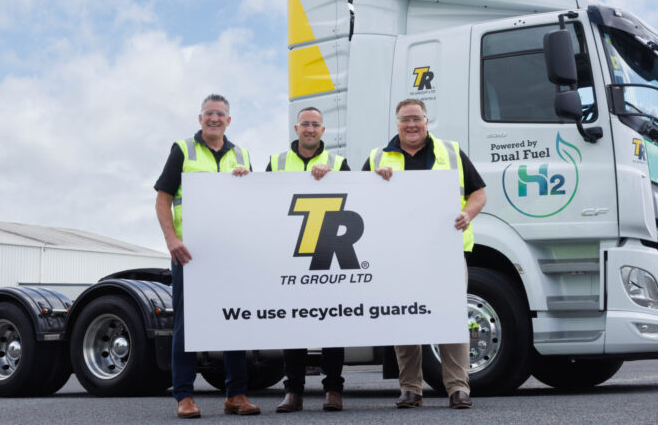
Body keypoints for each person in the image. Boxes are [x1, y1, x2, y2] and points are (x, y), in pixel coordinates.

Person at [363, 98, 486, 410]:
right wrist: (374, 182)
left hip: (445, 251)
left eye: (417, 118)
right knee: (405, 318)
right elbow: (359, 198)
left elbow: (479, 193)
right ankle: (410, 389)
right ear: (397, 124)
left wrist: (468, 214)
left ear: (427, 121)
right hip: (399, 254)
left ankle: (459, 389)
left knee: (452, 317)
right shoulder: (378, 157)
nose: (412, 125)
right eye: (405, 119)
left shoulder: (451, 152)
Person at [155, 94, 260, 418]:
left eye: (221, 114)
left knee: (234, 321)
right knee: (187, 326)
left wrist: (247, 181)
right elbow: (163, 199)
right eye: (209, 113)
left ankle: (236, 395)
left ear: (228, 121)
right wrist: (171, 240)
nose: (215, 118)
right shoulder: (183, 150)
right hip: (190, 254)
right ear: (200, 119)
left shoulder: (241, 155)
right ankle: (184, 397)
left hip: (230, 255)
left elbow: (254, 202)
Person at [266, 106, 350, 412]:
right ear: (296, 128)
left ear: (323, 130)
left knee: (332, 324)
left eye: (316, 125)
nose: (310, 129)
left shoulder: (338, 162)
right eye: (305, 124)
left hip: (329, 253)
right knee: (294, 325)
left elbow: (356, 199)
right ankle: (294, 391)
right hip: (290, 255)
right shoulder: (276, 162)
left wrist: (331, 179)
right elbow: (261, 201)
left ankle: (333, 390)